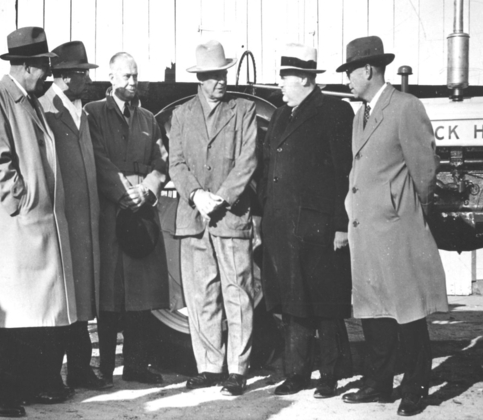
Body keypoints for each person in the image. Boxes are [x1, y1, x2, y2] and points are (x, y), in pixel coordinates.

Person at [336, 36, 449, 417]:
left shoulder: (405, 107)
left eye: (350, 71)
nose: (348, 79)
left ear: (367, 70)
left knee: (408, 312)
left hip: (397, 229)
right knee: (373, 311)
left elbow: (425, 171)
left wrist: (405, 212)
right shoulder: (360, 114)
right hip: (365, 230)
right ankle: (379, 383)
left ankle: (416, 387)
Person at [0, 27, 77, 417]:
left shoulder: (29, 100)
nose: (47, 74)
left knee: (35, 315)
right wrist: (23, 202)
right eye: (44, 66)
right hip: (20, 228)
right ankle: (2, 396)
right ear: (28, 66)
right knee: (12, 320)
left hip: (38, 229)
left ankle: (34, 386)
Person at [258, 44, 354, 398]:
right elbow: (269, 170)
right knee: (293, 302)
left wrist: (342, 224)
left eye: (284, 78)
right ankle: (295, 373)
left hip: (319, 227)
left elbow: (345, 172)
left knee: (325, 303)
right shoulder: (283, 114)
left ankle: (329, 374)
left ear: (304, 78)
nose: (280, 85)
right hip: (282, 227)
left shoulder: (334, 111)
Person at [169, 40, 257, 396]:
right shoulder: (181, 115)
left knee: (237, 293)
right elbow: (176, 162)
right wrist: (195, 195)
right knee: (201, 295)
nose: (218, 81)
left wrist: (219, 198)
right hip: (194, 217)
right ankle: (209, 366)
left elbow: (248, 159)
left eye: (221, 74)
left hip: (229, 216)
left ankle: (237, 369)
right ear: (198, 79)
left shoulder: (243, 109)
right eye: (210, 76)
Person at [85, 52, 168, 386]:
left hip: (141, 213)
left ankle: (136, 364)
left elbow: (162, 161)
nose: (132, 82)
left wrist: (147, 191)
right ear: (111, 77)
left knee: (140, 296)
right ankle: (104, 367)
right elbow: (98, 160)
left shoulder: (148, 118)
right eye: (125, 77)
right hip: (110, 213)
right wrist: (124, 193)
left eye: (135, 76)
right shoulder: (93, 114)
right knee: (110, 296)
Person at [39, 41, 110, 391]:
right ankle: (51, 377)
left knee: (82, 303)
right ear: (65, 77)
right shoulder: (46, 110)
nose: (88, 79)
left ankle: (80, 370)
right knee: (60, 303)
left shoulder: (80, 108)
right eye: (83, 73)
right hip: (62, 225)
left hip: (86, 225)